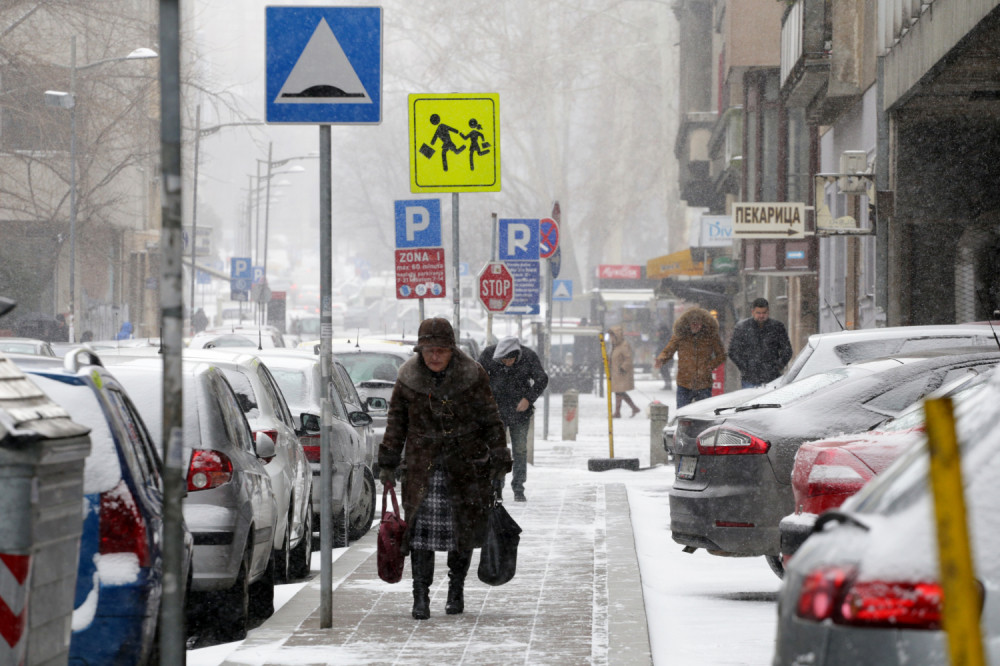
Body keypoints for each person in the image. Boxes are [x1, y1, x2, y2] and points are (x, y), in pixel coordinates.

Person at [378, 317, 511, 620]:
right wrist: (388, 461)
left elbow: (491, 419)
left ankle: (456, 590)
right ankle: (420, 596)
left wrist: (499, 456)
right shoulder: (408, 377)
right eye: (429, 350)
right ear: (420, 351)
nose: (435, 356)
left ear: (452, 350)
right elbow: (396, 422)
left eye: (441, 350)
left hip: (465, 467)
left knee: (461, 533)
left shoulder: (473, 375)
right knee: (419, 536)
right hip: (422, 468)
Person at [478, 336, 549, 502]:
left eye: (511, 359)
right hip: (496, 412)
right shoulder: (488, 354)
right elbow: (476, 378)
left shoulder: (529, 356)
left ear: (518, 355)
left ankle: (518, 487)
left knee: (520, 449)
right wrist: (485, 400)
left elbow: (542, 379)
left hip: (520, 412)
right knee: (497, 450)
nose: (508, 363)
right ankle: (496, 486)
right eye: (504, 360)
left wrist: (528, 399)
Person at [654, 307, 727, 409]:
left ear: (703, 323)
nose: (697, 326)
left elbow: (722, 355)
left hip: (704, 383)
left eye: (699, 323)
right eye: (694, 323)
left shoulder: (711, 336)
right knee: (682, 412)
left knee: (704, 413)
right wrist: (662, 359)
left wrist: (709, 366)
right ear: (688, 324)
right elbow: (669, 350)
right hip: (684, 382)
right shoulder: (680, 335)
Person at [728, 298, 793, 389]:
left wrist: (778, 366)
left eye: (764, 313)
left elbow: (787, 350)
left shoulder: (777, 327)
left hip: (772, 378)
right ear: (752, 312)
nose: (761, 316)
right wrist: (745, 367)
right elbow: (733, 351)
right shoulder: (742, 328)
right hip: (750, 378)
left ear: (768, 312)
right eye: (758, 313)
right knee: (751, 398)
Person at [607, 326, 640, 418]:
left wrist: (623, 368)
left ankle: (619, 412)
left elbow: (628, 359)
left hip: (622, 373)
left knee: (619, 392)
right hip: (616, 373)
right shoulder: (614, 346)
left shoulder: (624, 345)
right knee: (619, 392)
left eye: (612, 336)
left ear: (616, 335)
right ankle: (633, 408)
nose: (610, 338)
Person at [656, 322, 674, 390]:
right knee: (663, 370)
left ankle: (668, 384)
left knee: (665, 370)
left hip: (666, 357)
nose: (659, 332)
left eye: (660, 331)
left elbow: (664, 347)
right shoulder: (663, 337)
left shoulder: (666, 337)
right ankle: (667, 384)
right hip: (663, 356)